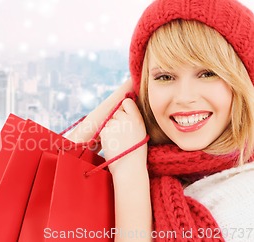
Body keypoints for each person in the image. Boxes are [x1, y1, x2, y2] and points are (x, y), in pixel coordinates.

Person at [67, 0, 254, 241]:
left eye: (208, 73)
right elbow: (39, 181)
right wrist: (128, 93)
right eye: (165, 76)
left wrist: (129, 175)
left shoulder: (243, 197)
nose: (185, 97)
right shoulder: (141, 158)